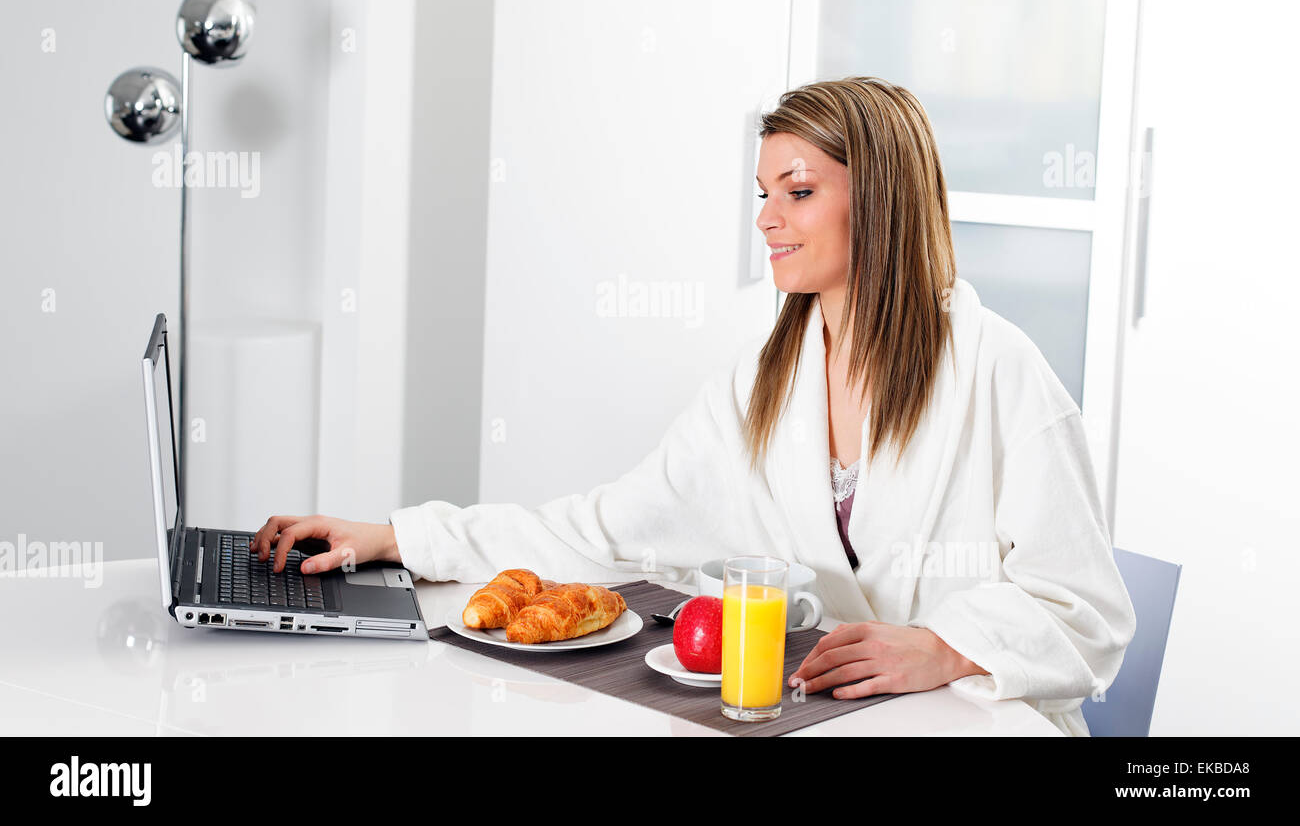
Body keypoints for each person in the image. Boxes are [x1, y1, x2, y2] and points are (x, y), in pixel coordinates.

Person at [251, 76, 1136, 736]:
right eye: (764, 194)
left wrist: (946, 643)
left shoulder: (999, 371)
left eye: (798, 191)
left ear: (884, 199)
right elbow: (605, 530)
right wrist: (397, 538)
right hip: (820, 718)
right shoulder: (768, 382)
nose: (767, 218)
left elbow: (1087, 610)